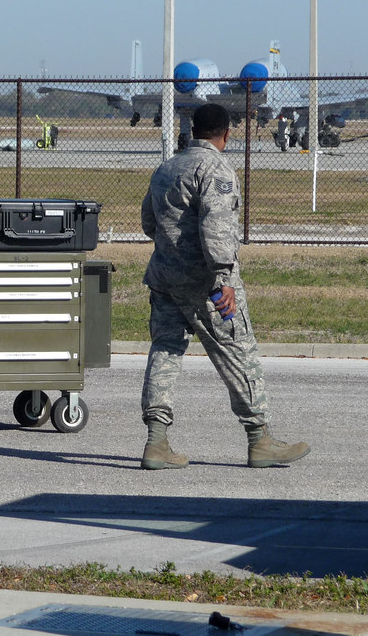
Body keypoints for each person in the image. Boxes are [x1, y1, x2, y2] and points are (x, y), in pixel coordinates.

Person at [138, 103, 310, 470]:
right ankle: (259, 439)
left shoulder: (167, 167)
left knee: (165, 351)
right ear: (226, 134)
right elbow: (216, 226)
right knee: (237, 350)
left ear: (193, 130)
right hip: (206, 284)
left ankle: (156, 441)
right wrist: (223, 278)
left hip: (166, 278)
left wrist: (174, 250)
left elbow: (148, 222)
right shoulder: (215, 168)